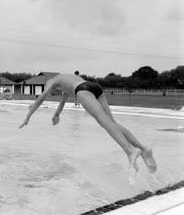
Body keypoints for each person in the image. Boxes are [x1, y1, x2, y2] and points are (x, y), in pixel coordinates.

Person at [19, 73, 157, 173]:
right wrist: (56, 115)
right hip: (94, 86)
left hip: (83, 90)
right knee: (112, 123)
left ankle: (130, 151)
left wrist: (28, 117)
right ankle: (144, 149)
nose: (54, 94)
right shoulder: (65, 80)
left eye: (53, 93)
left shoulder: (50, 82)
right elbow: (62, 102)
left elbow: (40, 99)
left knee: (103, 120)